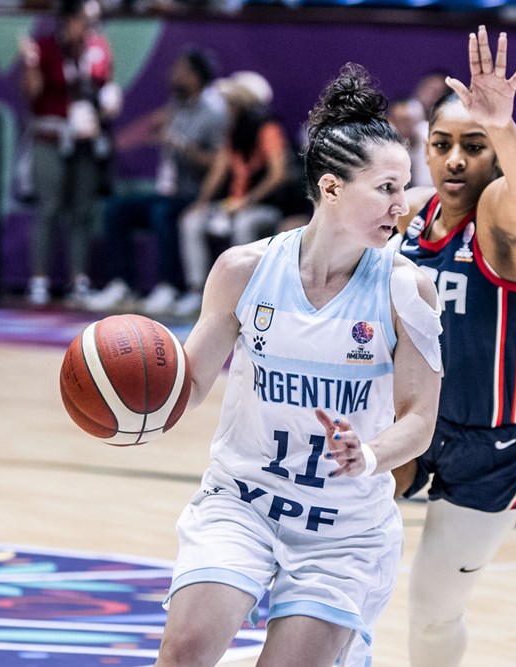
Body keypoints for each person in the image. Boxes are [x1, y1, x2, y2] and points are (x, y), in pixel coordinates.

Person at [154, 64, 443, 667]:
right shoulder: (243, 270)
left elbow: (419, 420)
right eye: (386, 188)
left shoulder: (406, 287)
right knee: (184, 653)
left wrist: (370, 455)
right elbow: (190, 383)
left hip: (345, 529)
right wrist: (137, 404)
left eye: (404, 187)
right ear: (332, 188)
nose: (402, 205)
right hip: (243, 500)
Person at [392, 28, 516, 667]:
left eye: (474, 145)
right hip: (411, 425)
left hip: (493, 447)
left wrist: (504, 126)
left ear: (495, 156)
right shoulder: (407, 218)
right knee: (329, 553)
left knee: (432, 608)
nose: (456, 160)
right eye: (443, 144)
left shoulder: (504, 225)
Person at [85, 47, 228, 314]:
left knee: (162, 212)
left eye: (180, 70)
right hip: (171, 192)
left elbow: (220, 162)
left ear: (195, 77)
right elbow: (151, 127)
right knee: (116, 209)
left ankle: (168, 286)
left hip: (197, 194)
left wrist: (185, 149)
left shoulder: (214, 112)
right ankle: (122, 284)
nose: (172, 75)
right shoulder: (176, 107)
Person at [19, 0, 120, 306]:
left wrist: (109, 102)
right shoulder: (44, 48)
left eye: (95, 21)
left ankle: (79, 279)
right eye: (85, 20)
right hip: (51, 137)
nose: (91, 27)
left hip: (86, 139)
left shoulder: (99, 48)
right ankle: (39, 279)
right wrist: (31, 65)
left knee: (83, 211)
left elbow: (108, 91)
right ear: (68, 19)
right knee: (49, 209)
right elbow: (32, 95)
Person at [172, 70, 294, 318]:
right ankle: (197, 292)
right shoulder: (232, 131)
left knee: (244, 224)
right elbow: (220, 168)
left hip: (265, 208)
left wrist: (248, 201)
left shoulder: (268, 129)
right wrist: (202, 202)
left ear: (243, 104)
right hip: (233, 205)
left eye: (231, 102)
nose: (227, 107)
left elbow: (278, 174)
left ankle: (243, 296)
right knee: (192, 221)